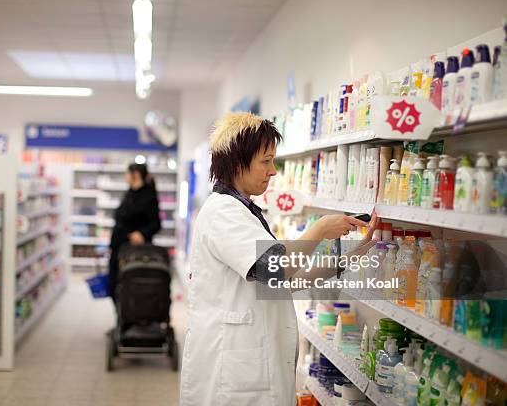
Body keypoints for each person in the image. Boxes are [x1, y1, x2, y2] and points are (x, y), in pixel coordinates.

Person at [179, 112, 378, 406]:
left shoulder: (244, 211)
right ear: (237, 162)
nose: (273, 171)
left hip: (249, 365)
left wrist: (348, 258)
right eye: (266, 161)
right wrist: (320, 229)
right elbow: (279, 269)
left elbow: (283, 281)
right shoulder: (223, 213)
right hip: (232, 375)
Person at [108, 163, 161, 301]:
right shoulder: (129, 192)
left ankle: (129, 320)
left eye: (127, 173)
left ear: (135, 174)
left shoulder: (148, 196)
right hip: (118, 249)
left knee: (129, 288)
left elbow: (156, 224)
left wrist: (142, 234)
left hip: (134, 253)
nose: (125, 176)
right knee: (114, 286)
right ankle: (120, 320)